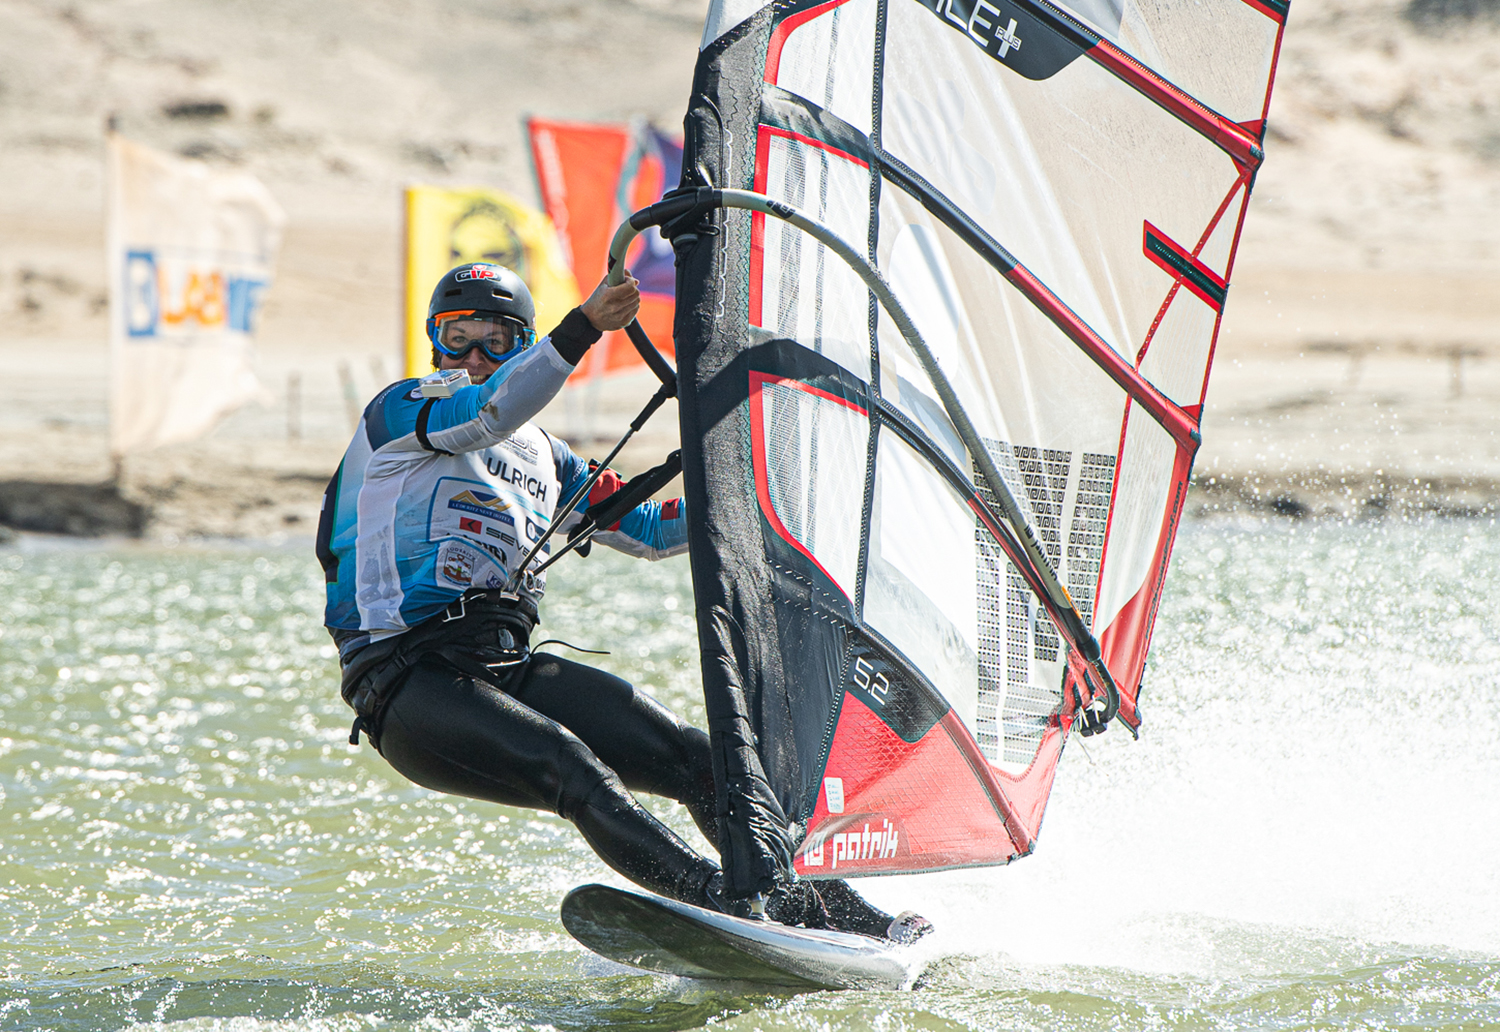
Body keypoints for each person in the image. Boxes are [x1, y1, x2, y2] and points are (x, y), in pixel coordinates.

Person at [317, 262, 926, 941]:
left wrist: (763, 488)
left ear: (520, 345)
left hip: (504, 669)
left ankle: (845, 920)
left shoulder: (547, 458)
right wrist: (583, 328)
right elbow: (488, 412)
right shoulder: (402, 413)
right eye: (458, 336)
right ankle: (721, 904)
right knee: (575, 770)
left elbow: (648, 529)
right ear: (433, 340)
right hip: (407, 683)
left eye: (497, 341)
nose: (475, 356)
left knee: (701, 760)